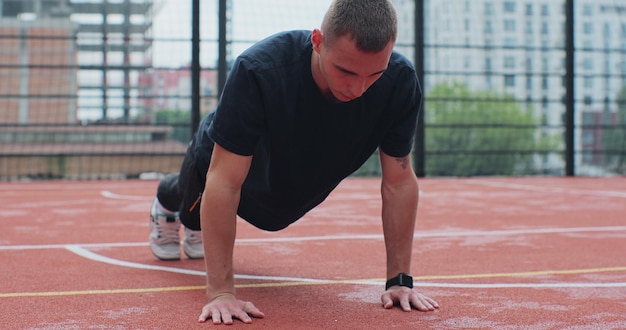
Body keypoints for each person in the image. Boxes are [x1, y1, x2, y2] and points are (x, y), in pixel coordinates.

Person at [148, 0, 439, 325]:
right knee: (194, 217)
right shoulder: (258, 70)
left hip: (292, 178)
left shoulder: (399, 83)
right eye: (345, 71)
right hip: (226, 163)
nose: (358, 88)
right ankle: (167, 199)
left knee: (273, 214)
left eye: (375, 74)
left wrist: (400, 281)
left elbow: (398, 183)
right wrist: (221, 294)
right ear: (317, 41)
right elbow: (225, 181)